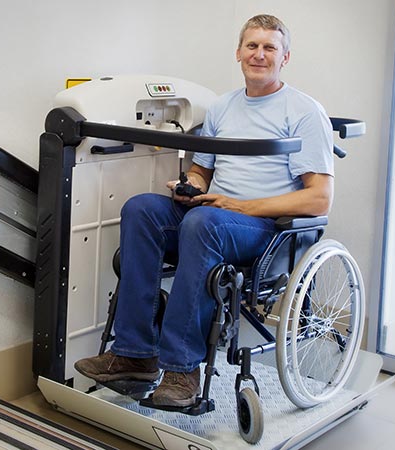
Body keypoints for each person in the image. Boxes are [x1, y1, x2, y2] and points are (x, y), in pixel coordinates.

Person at [74, 14, 334, 407]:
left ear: (285, 57)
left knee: (202, 222)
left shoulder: (303, 111)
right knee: (142, 209)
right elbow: (201, 170)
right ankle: (135, 354)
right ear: (238, 52)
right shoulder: (223, 107)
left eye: (269, 47)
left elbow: (319, 198)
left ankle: (182, 369)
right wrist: (190, 187)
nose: (259, 54)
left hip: (264, 227)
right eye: (252, 45)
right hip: (213, 215)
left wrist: (238, 205)